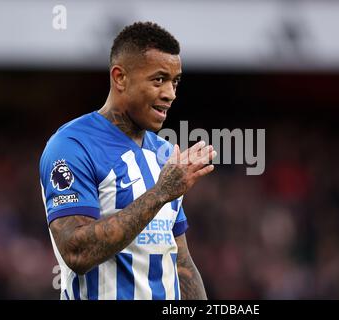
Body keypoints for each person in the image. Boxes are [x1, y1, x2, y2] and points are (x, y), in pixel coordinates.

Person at [39, 21, 216, 300]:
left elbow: (180, 262)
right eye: (158, 79)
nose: (170, 93)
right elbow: (76, 252)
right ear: (120, 77)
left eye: (175, 81)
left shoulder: (166, 155)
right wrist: (160, 193)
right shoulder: (72, 145)